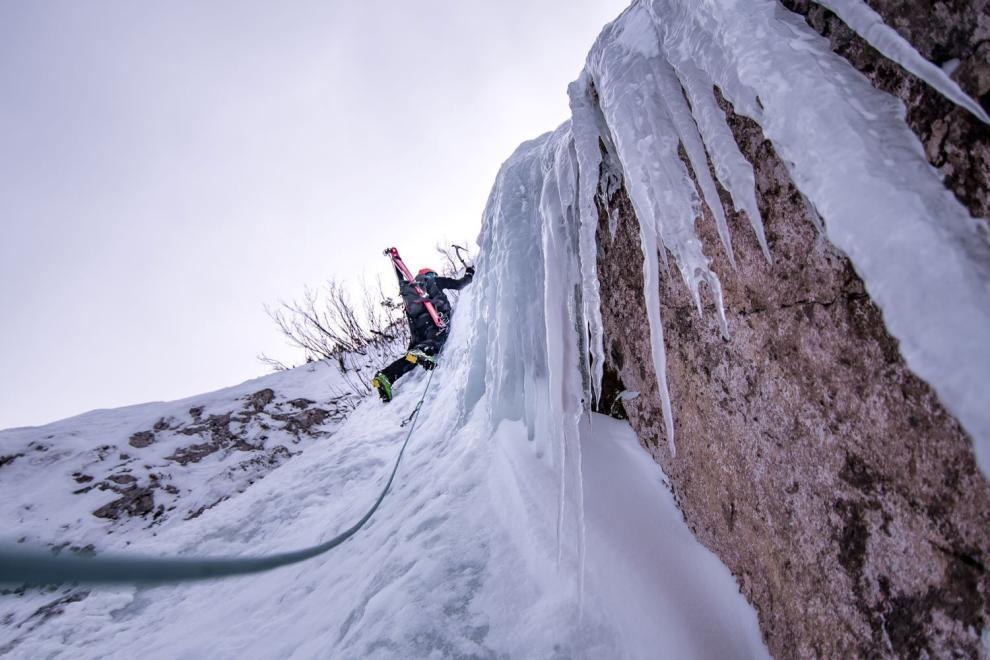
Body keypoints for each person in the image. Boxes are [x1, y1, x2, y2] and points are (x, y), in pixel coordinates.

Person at [371, 261, 474, 402]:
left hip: (418, 329)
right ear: (428, 274)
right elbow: (459, 284)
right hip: (433, 319)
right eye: (432, 274)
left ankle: (386, 376)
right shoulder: (433, 280)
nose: (434, 276)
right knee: (437, 337)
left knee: (411, 359)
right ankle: (423, 350)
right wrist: (469, 273)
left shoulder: (410, 291)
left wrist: (413, 345)